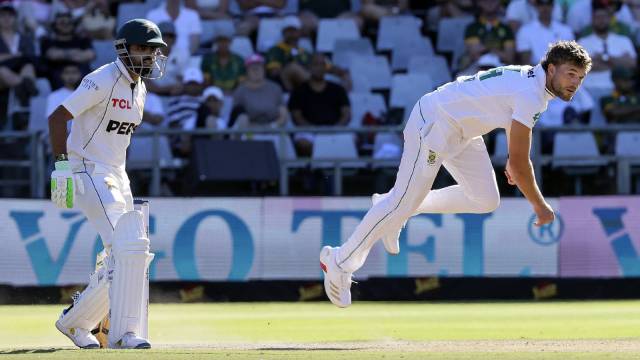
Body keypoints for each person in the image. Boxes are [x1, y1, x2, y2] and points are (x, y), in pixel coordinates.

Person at [320, 40, 592, 308]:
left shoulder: (531, 82)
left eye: (580, 77)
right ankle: (339, 261)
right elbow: (520, 166)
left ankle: (397, 207)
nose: (575, 83)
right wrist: (540, 206)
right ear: (552, 68)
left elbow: (510, 128)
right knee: (401, 201)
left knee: (485, 199)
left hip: (463, 132)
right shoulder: (531, 93)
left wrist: (514, 160)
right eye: (570, 74)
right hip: (435, 122)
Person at [48, 18, 168, 348]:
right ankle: (123, 333)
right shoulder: (101, 78)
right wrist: (62, 167)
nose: (149, 57)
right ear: (123, 49)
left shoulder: (140, 88)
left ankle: (77, 322)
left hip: (117, 173)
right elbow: (58, 118)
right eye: (142, 48)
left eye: (153, 51)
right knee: (125, 248)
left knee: (127, 252)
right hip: (86, 169)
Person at [288, 53, 350, 157]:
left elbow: (346, 114)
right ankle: (314, 170)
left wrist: (335, 129)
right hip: (309, 132)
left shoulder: (338, 89)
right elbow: (296, 117)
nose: (319, 68)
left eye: (322, 64)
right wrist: (315, 130)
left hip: (335, 130)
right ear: (309, 67)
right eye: (316, 64)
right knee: (303, 144)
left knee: (353, 139)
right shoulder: (299, 90)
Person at [233, 54, 287, 130]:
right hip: (249, 131)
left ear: (264, 69)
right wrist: (254, 129)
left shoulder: (275, 88)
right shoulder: (240, 91)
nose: (256, 70)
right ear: (246, 71)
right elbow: (238, 118)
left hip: (275, 129)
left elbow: (283, 114)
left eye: (259, 67)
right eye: (252, 68)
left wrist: (272, 126)